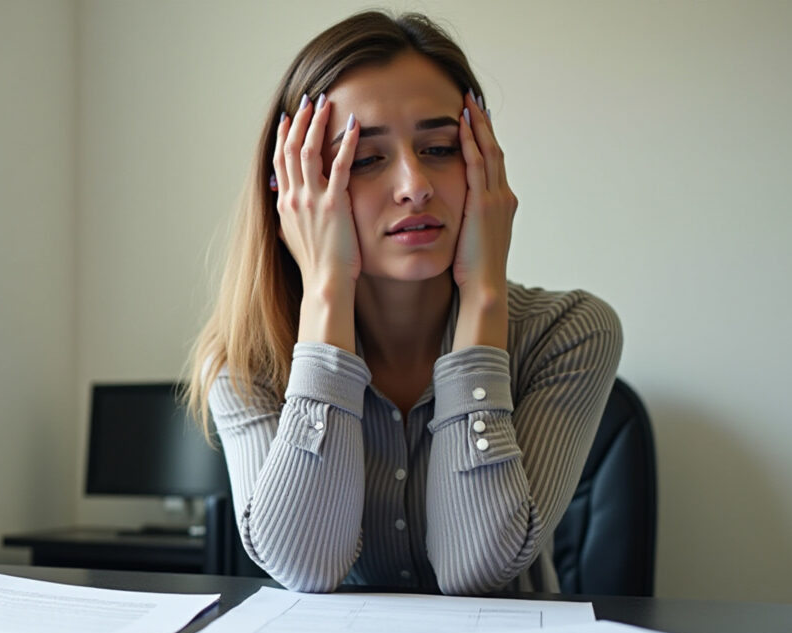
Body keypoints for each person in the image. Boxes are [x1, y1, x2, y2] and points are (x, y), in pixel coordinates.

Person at [186, 10, 622, 595]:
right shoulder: (246, 359)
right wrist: (326, 290)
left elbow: (476, 569)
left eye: (440, 148)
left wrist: (484, 296)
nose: (415, 185)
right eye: (365, 159)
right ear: (294, 191)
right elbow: (303, 566)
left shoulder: (571, 333)